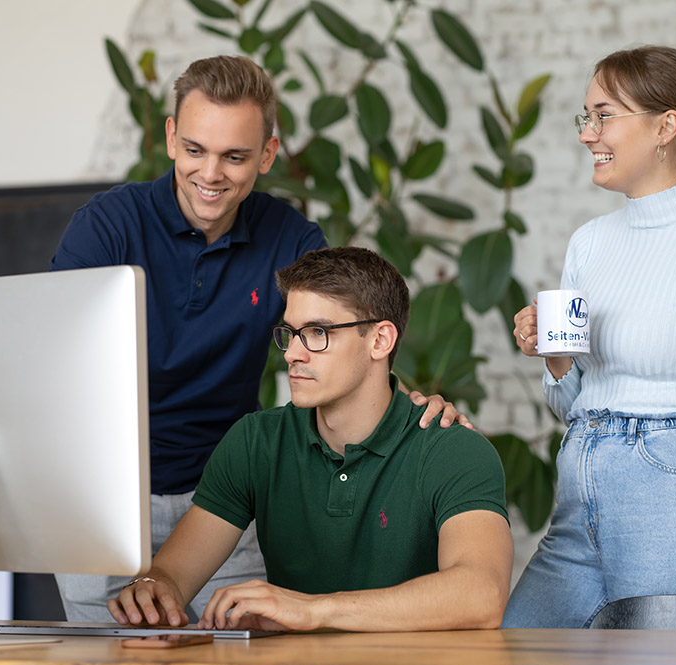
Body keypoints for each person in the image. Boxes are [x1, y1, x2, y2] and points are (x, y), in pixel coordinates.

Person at [50, 56, 464, 622]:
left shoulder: (291, 238)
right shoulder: (106, 227)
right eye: (195, 150)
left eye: (235, 156)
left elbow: (342, 333)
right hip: (102, 506)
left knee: (246, 658)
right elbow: (51, 358)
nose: (211, 173)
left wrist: (407, 406)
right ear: (171, 138)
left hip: (223, 501)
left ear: (267, 154)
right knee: (105, 664)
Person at [505, 45, 676, 628]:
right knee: (520, 652)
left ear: (666, 126)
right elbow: (571, 402)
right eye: (585, 116)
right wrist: (555, 358)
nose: (587, 134)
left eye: (604, 115)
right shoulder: (589, 242)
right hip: (581, 484)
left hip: (674, 494)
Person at [108, 246, 512, 632]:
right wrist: (151, 591)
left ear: (380, 340)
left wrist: (313, 610)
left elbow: (483, 594)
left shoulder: (453, 448)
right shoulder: (255, 442)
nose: (292, 355)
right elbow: (172, 575)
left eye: (318, 332)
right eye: (290, 333)